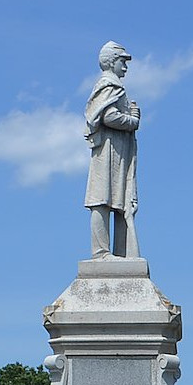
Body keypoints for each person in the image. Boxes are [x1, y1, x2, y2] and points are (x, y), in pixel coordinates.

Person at [84, 41, 140, 258]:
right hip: (107, 152)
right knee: (102, 199)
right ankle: (101, 252)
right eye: (122, 62)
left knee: (120, 202)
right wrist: (132, 120)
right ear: (111, 62)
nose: (125, 67)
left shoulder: (114, 85)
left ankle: (122, 252)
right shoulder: (109, 84)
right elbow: (108, 116)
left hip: (117, 151)